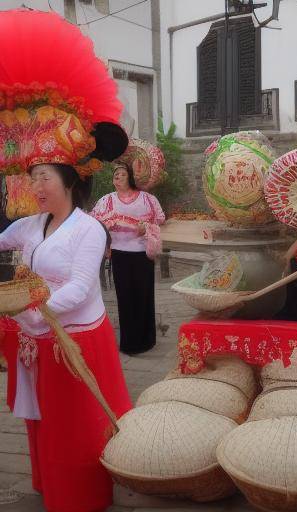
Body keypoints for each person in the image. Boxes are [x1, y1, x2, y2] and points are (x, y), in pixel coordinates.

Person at [0, 9, 132, 510]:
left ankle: (79, 496)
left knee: (75, 428)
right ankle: (45, 484)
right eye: (31, 178)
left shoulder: (90, 228)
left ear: (70, 182)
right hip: (35, 342)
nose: (35, 187)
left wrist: (31, 307)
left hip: (72, 341)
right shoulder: (30, 226)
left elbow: (80, 288)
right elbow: (3, 241)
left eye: (44, 179)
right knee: (41, 423)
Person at [92, 156, 165, 355]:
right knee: (124, 296)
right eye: (116, 175)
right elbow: (95, 223)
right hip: (119, 253)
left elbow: (160, 220)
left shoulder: (147, 199)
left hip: (142, 253)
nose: (118, 177)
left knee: (144, 295)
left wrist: (146, 227)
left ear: (131, 177)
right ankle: (129, 343)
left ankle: (147, 339)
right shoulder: (106, 201)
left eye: (123, 174)